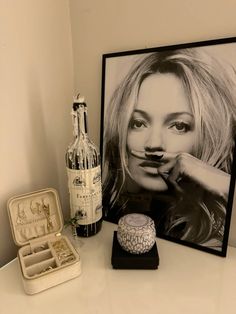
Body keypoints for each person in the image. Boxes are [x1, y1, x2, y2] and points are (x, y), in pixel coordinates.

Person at [102, 47, 236, 249]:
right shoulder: (111, 219)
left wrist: (225, 186)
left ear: (208, 136)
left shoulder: (220, 241)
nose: (154, 143)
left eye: (179, 126)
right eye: (138, 123)